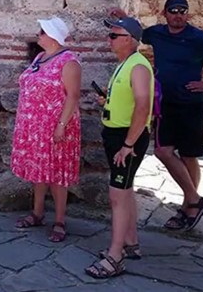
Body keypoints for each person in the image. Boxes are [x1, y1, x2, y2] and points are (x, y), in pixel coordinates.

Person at [110, 0, 203, 231]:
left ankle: (188, 206)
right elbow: (134, 34)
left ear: (187, 14)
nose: (178, 15)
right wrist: (124, 16)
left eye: (182, 11)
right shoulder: (157, 33)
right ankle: (194, 200)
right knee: (162, 151)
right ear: (165, 13)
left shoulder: (198, 37)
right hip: (166, 105)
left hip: (192, 104)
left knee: (189, 156)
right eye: (173, 11)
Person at [85, 17, 154, 279]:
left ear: (130, 39)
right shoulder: (126, 64)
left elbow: (143, 107)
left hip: (127, 139)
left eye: (114, 35)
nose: (109, 39)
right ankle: (131, 243)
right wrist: (108, 101)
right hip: (118, 135)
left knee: (117, 195)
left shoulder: (137, 66)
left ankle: (115, 256)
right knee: (124, 191)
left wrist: (128, 145)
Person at [10, 17, 81, 243]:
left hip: (56, 127)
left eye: (42, 31)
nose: (38, 35)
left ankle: (60, 221)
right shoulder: (41, 57)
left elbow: (73, 96)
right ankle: (37, 213)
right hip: (35, 127)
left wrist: (61, 125)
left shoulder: (69, 61)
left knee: (57, 175)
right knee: (38, 170)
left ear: (52, 36)